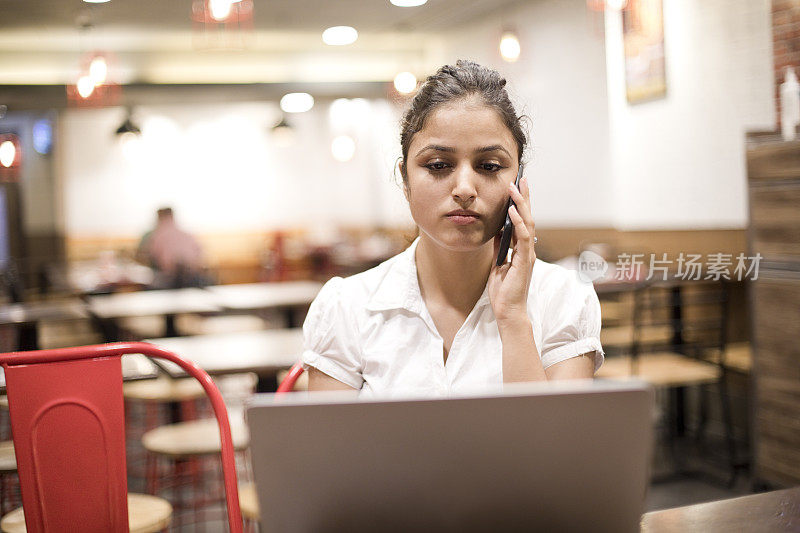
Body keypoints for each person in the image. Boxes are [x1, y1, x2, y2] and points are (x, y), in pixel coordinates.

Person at [303, 60, 603, 395]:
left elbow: (556, 445)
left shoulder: (562, 297)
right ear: (405, 179)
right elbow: (331, 447)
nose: (464, 188)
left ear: (518, 179)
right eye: (438, 165)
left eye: (489, 166)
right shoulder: (346, 306)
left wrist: (514, 317)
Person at [137, 207, 207, 288]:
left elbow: (152, 258)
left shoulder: (157, 236)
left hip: (168, 282)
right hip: (194, 280)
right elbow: (200, 255)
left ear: (159, 217)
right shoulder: (188, 235)